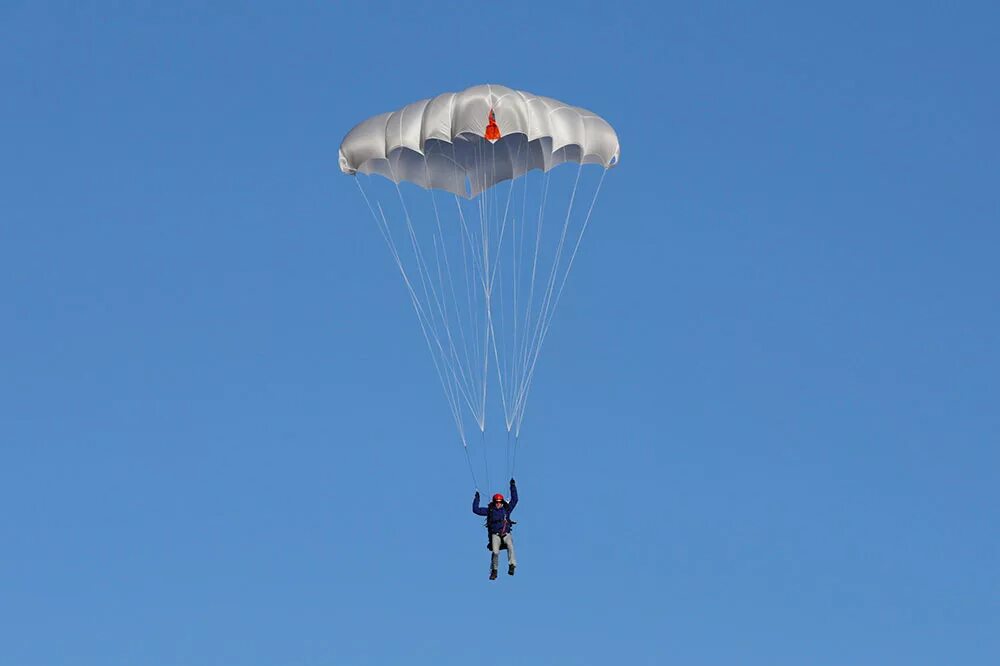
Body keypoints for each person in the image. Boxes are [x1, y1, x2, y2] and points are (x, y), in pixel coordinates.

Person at [473, 478, 518, 580]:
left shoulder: (506, 510)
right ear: (494, 502)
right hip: (495, 534)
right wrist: (477, 498)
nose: (498, 504)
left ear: (502, 502)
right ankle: (494, 570)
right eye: (496, 502)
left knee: (510, 546)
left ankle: (512, 565)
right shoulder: (490, 511)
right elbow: (476, 510)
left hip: (505, 533)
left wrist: (512, 486)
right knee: (495, 552)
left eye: (500, 502)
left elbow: (515, 500)